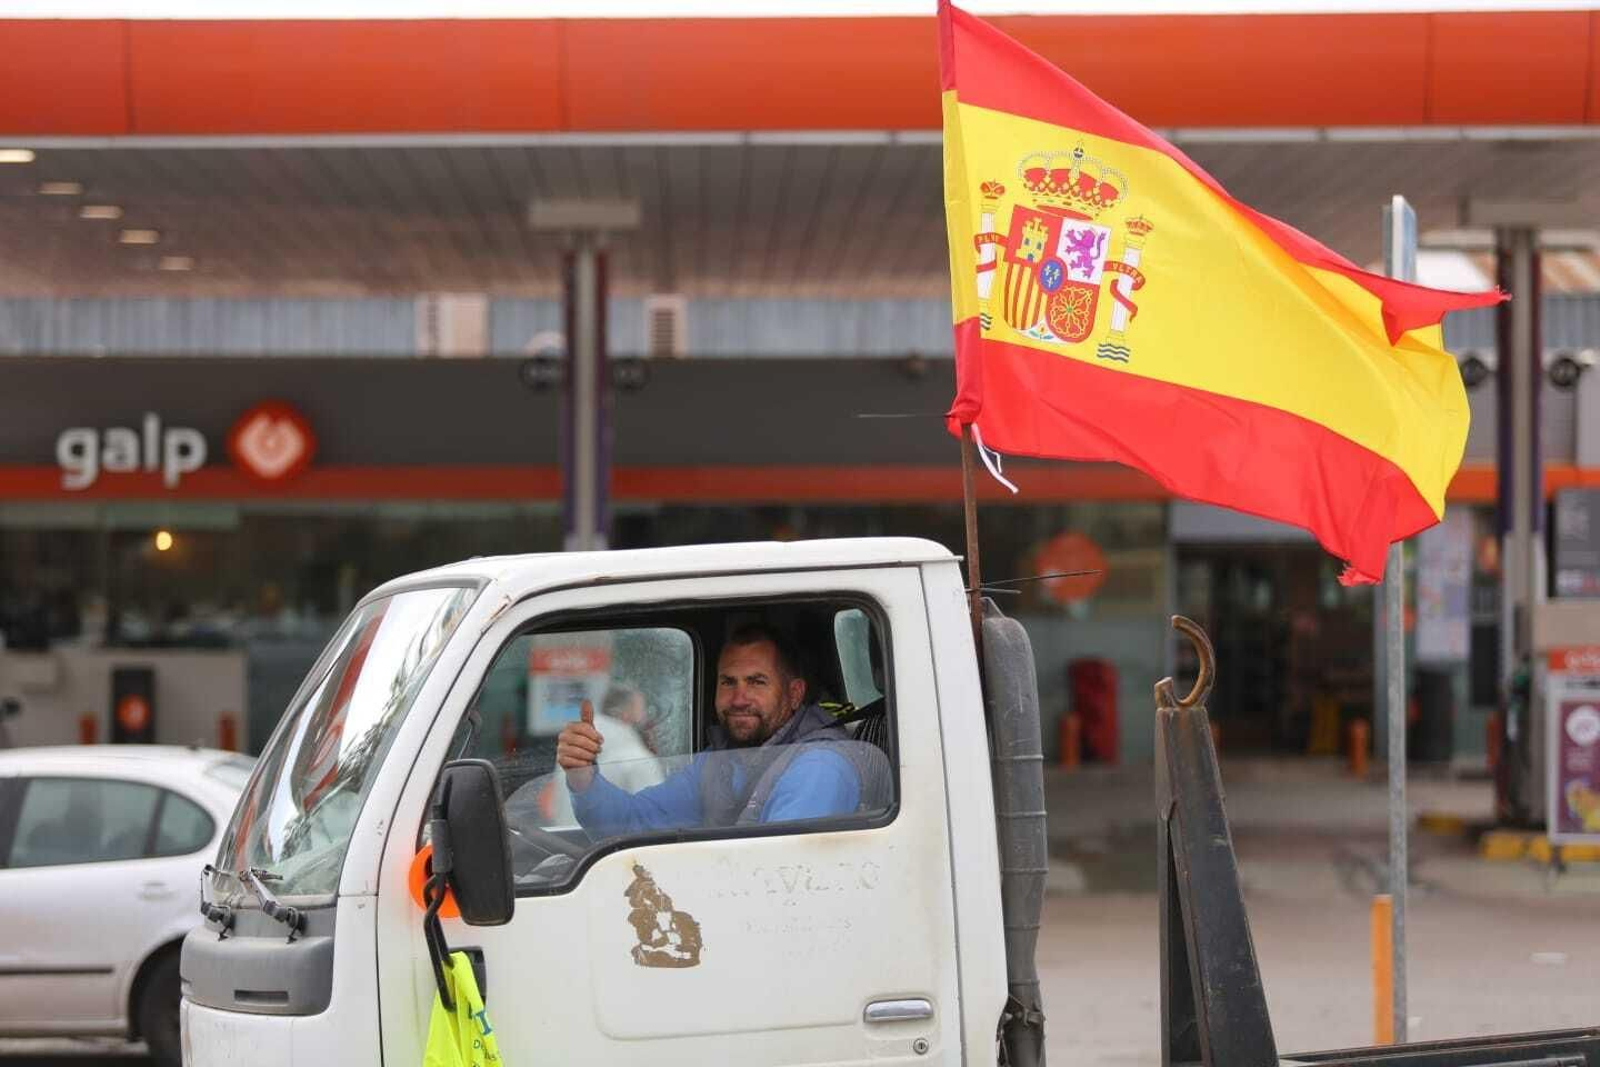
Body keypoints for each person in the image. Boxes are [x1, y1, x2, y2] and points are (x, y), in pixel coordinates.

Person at [555, 623, 882, 836]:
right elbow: (630, 824)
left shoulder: (820, 768)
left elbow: (772, 881)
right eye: (728, 682)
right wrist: (583, 776)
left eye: (756, 682)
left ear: (794, 694)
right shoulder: (721, 763)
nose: (739, 698)